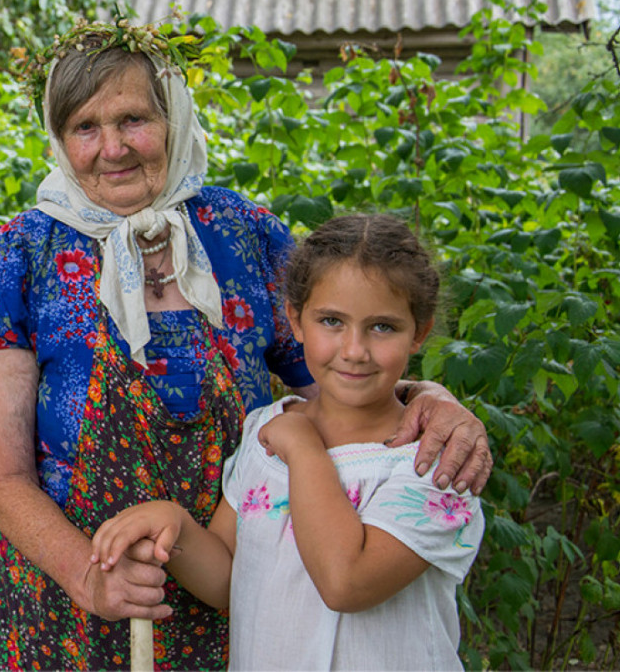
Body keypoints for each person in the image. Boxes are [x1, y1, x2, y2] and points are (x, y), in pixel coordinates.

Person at [0, 20, 492, 670]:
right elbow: (1, 473)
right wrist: (85, 575)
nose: (112, 147)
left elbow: (339, 383)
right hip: (59, 596)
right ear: (59, 140)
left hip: (225, 585)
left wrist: (426, 398)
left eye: (132, 119)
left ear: (173, 117)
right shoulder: (19, 258)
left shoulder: (242, 236)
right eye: (84, 127)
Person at [91, 214, 484, 670]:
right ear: (295, 321)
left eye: (382, 327)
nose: (354, 349)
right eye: (332, 321)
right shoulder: (267, 430)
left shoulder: (437, 462)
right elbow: (228, 580)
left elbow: (346, 584)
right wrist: (173, 524)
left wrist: (303, 450)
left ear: (419, 332)